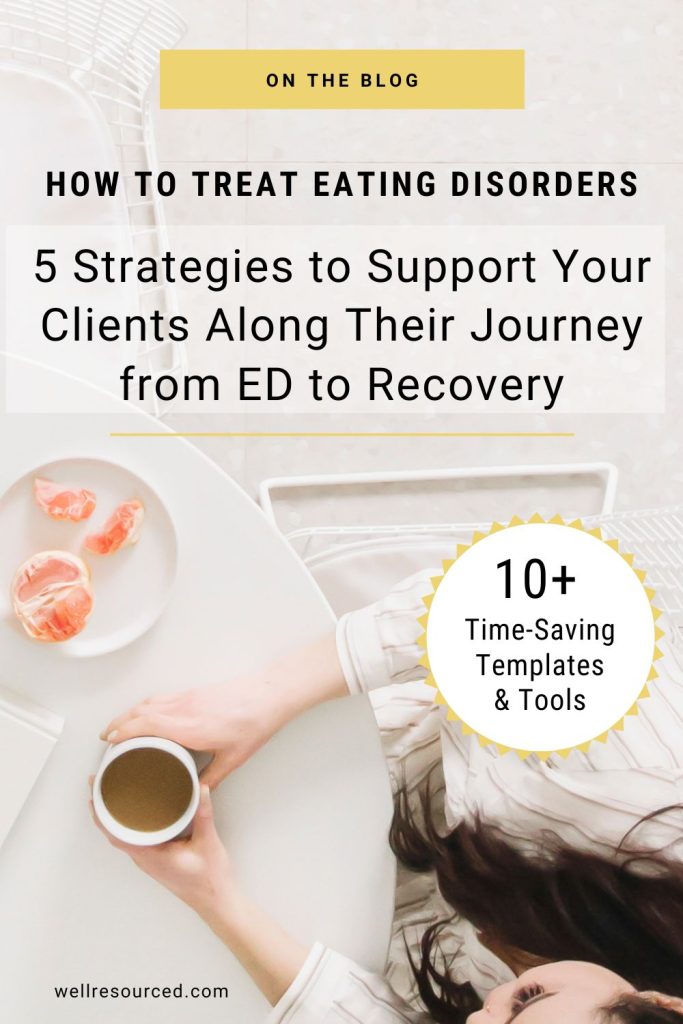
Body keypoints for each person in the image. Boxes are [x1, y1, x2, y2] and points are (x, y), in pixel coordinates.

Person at [92, 570, 683, 1022]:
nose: (482, 1013)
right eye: (527, 999)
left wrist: (214, 895)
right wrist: (265, 697)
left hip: (296, 884)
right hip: (336, 739)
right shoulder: (638, 795)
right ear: (665, 1003)